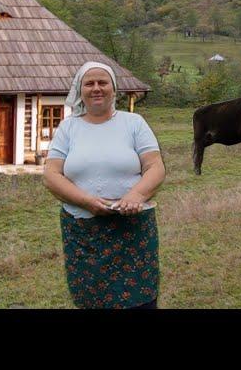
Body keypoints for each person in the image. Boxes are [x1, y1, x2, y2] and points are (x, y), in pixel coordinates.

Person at [43, 61, 166, 309]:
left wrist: (136, 195)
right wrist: (86, 201)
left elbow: (155, 166)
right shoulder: (69, 128)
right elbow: (51, 174)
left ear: (114, 88)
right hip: (83, 232)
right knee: (91, 301)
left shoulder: (134, 123)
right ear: (80, 90)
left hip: (132, 230)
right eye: (89, 83)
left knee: (139, 302)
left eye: (103, 82)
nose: (96, 88)